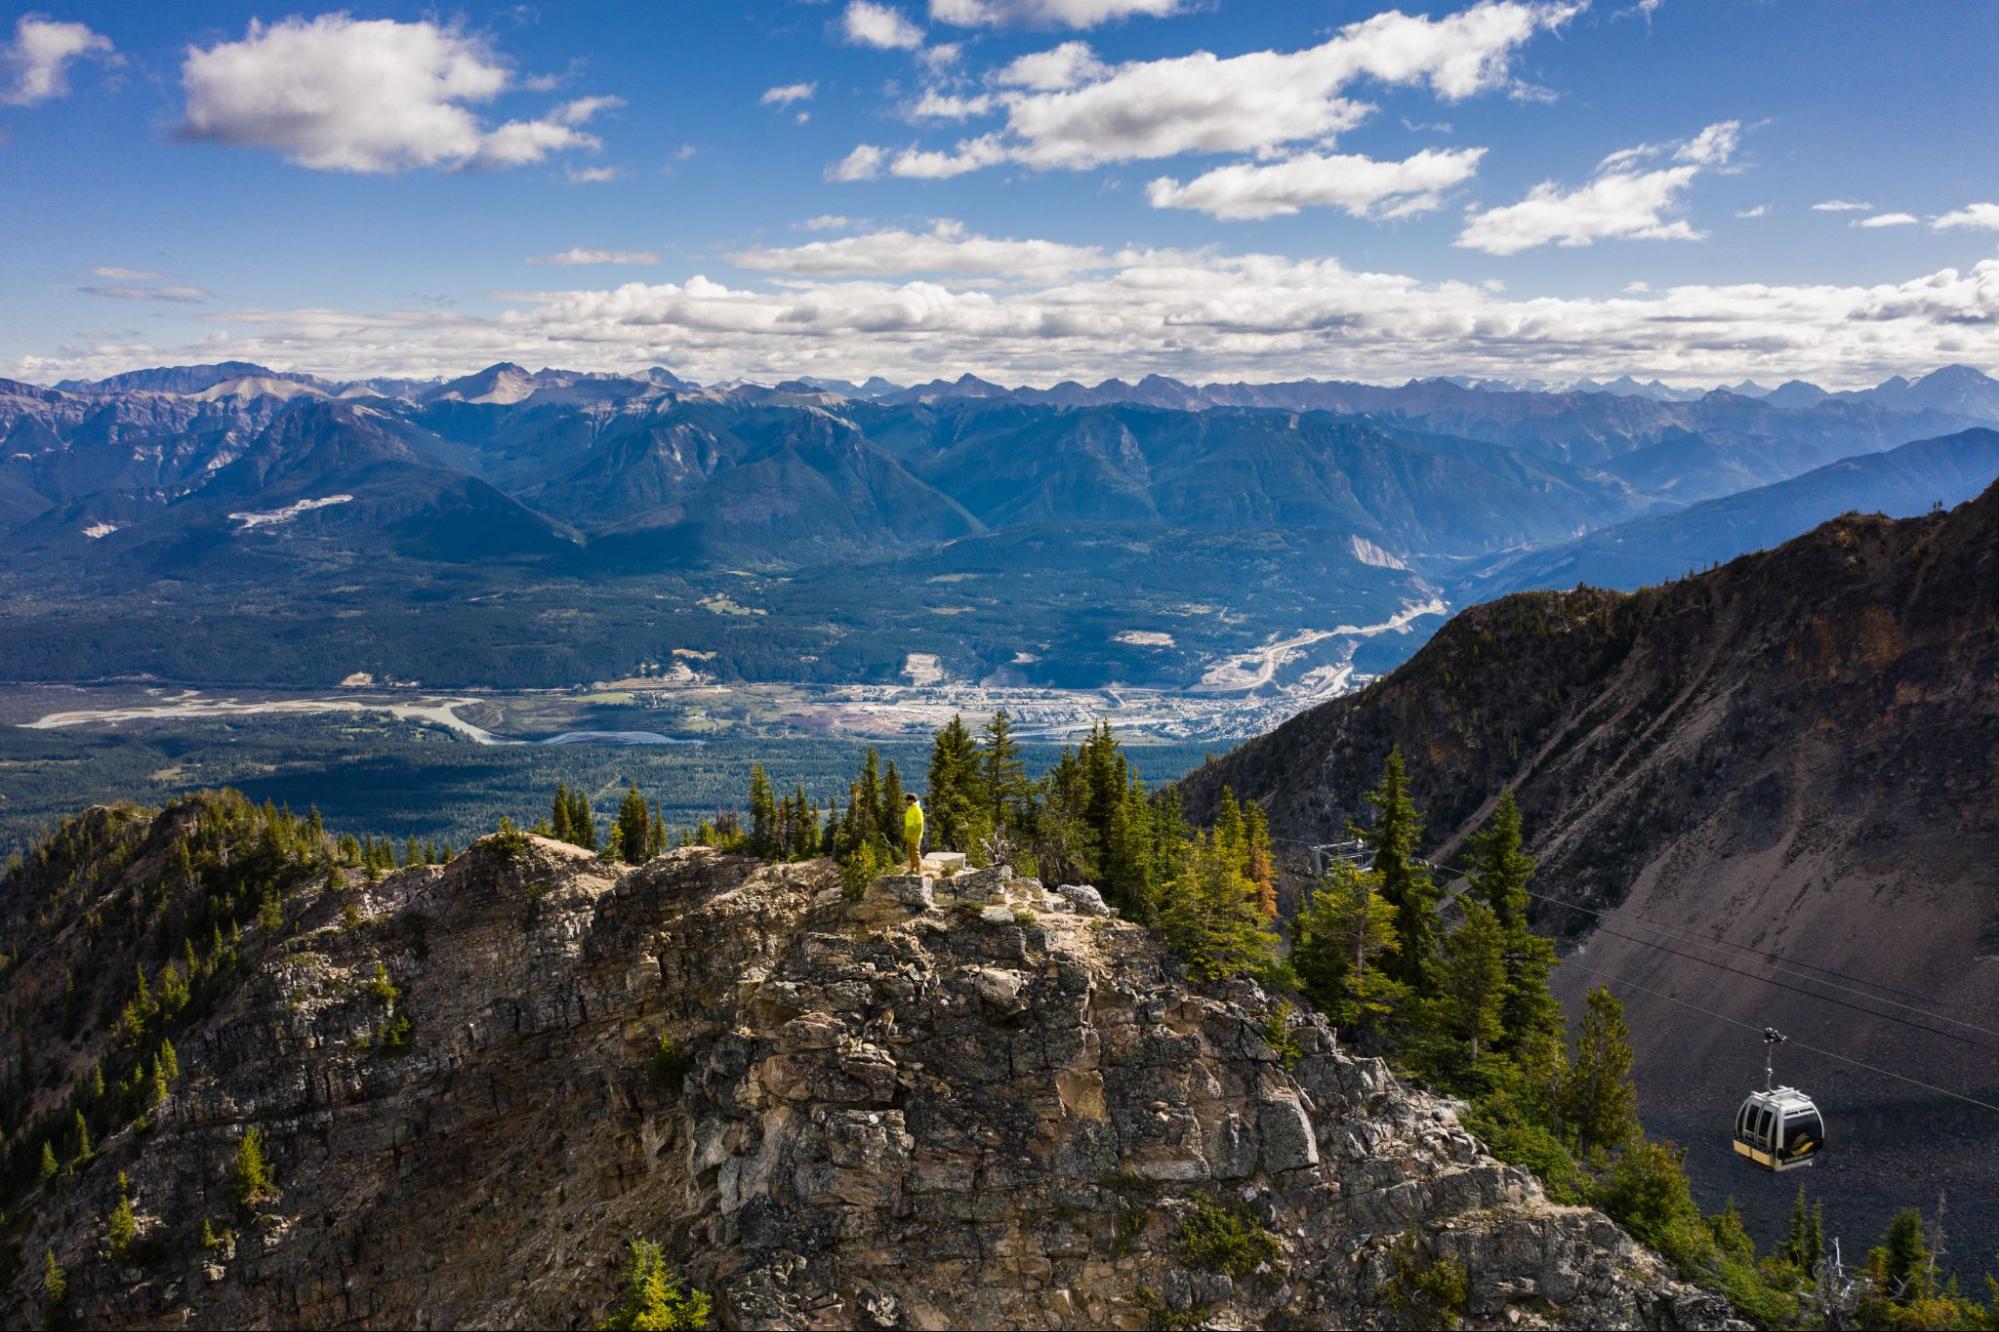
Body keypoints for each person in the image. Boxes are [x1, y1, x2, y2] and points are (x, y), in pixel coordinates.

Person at [903, 793, 925, 872]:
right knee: (910, 852)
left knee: (916, 852)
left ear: (912, 800)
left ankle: (919, 869)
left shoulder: (917, 810)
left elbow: (920, 825)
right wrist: (906, 834)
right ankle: (912, 868)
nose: (906, 802)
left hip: (915, 835)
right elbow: (908, 822)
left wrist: (917, 836)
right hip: (910, 835)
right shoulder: (910, 808)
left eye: (907, 800)